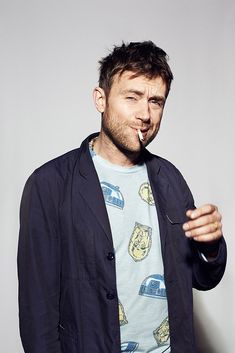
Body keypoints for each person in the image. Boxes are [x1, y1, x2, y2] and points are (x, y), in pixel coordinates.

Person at [17, 41, 227, 353]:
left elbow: (200, 278)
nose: (146, 114)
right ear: (100, 99)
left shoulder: (170, 179)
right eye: (133, 97)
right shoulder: (49, 185)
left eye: (156, 101)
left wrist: (209, 246)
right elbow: (38, 313)